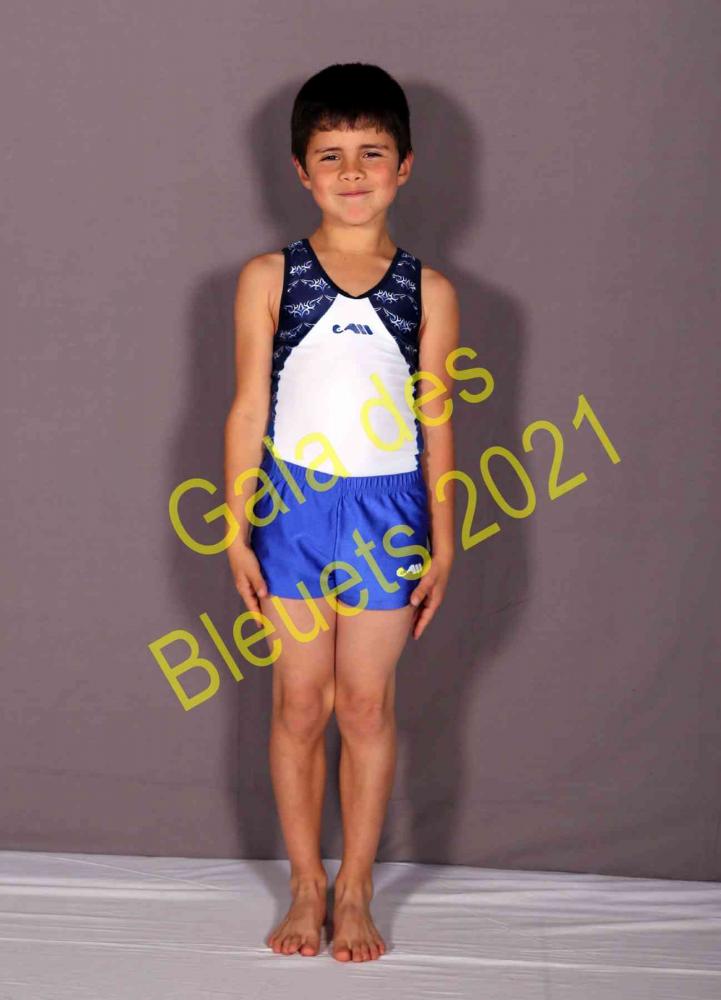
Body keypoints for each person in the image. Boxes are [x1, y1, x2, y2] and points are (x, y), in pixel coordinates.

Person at [224, 62, 459, 963]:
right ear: (300, 170)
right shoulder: (268, 277)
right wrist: (235, 531)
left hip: (388, 514)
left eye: (371, 153)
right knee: (298, 703)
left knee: (363, 705)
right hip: (291, 509)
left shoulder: (428, 292)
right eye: (331, 155)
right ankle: (306, 883)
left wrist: (444, 541)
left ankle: (355, 886)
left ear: (404, 166)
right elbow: (249, 407)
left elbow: (436, 420)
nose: (352, 172)